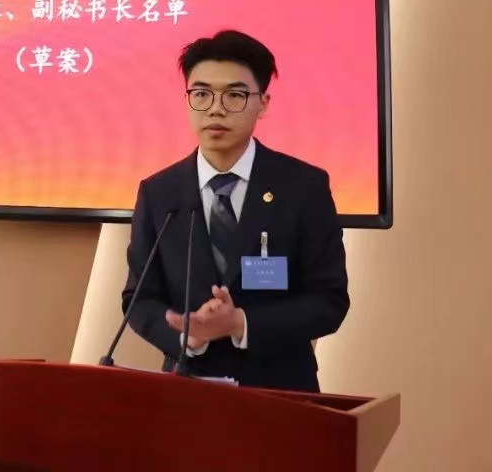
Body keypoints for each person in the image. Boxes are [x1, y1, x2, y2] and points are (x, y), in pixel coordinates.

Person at [121, 29, 349, 391]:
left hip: (281, 392)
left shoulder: (303, 188)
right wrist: (186, 335)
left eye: (235, 95)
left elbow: (329, 300)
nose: (216, 108)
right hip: (188, 390)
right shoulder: (159, 193)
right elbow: (139, 299)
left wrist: (240, 322)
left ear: (263, 104)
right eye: (201, 94)